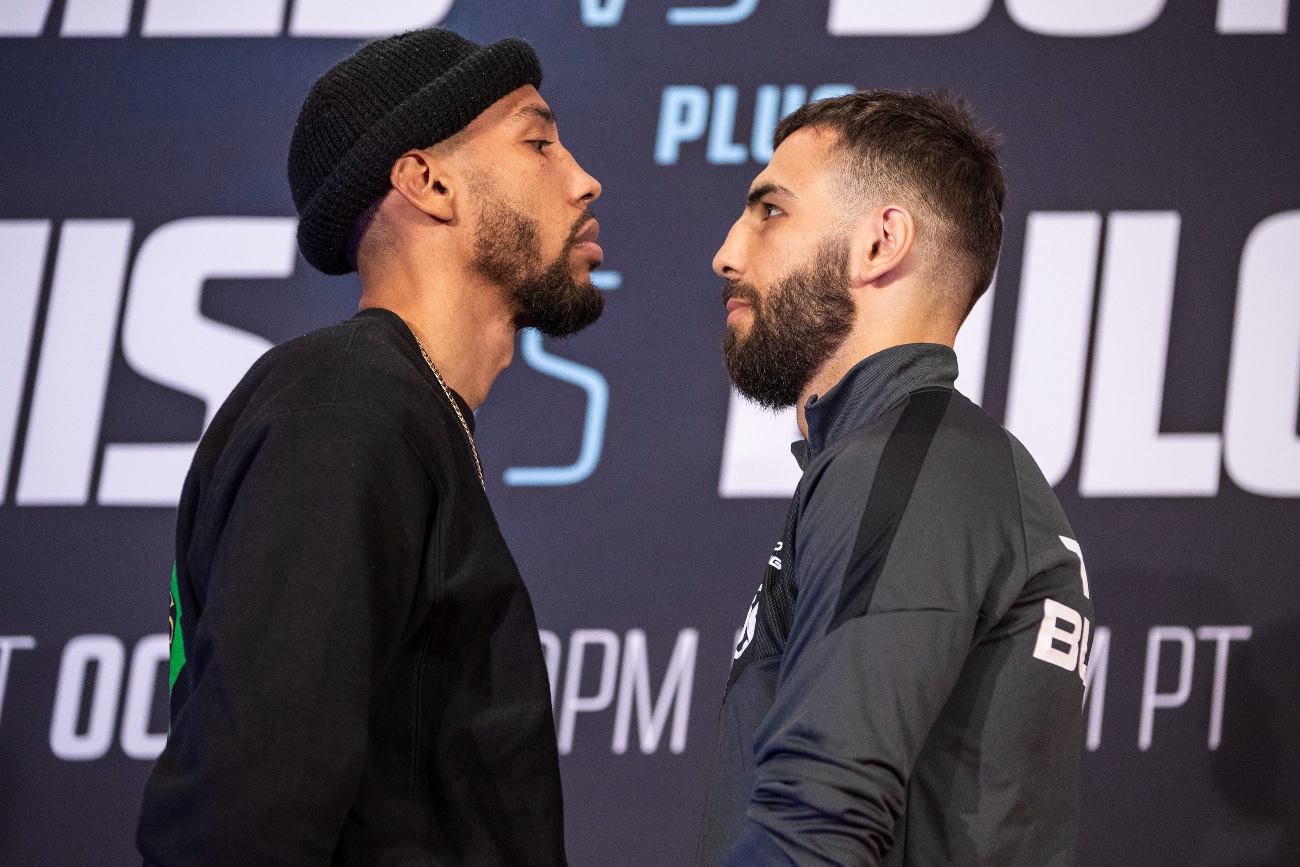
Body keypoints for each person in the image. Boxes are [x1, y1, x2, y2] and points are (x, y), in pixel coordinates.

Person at [137, 28, 604, 866]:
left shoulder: (398, 409)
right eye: (538, 141)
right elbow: (250, 799)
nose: (582, 179)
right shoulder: (345, 405)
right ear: (427, 182)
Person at [696, 90, 1095, 866]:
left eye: (770, 212)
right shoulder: (924, 460)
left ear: (881, 242)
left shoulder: (912, 459)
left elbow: (819, 816)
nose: (728, 252)